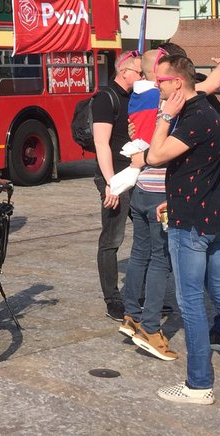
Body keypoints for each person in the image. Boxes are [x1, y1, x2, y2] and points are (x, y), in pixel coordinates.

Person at [148, 52, 220, 404]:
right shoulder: (206, 110)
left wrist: (164, 117)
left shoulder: (192, 116)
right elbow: (197, 168)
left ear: (177, 82)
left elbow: (155, 155)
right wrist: (173, 197)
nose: (156, 85)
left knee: (191, 301)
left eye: (160, 80)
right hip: (207, 212)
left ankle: (199, 384)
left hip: (192, 222)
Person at [118, 51, 179, 361]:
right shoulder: (168, 102)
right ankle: (151, 328)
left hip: (141, 188)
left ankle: (131, 315)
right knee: (160, 259)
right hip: (160, 193)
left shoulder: (138, 98)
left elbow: (135, 133)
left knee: (140, 252)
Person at [90, 51, 141, 325]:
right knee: (112, 239)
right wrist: (111, 184)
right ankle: (113, 298)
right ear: (124, 72)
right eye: (138, 72)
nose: (142, 76)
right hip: (115, 177)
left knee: (147, 235)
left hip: (135, 173)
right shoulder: (105, 98)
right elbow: (101, 144)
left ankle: (140, 292)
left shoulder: (135, 97)